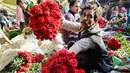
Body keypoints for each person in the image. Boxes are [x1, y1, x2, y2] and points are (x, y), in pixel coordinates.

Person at [67, 5, 113, 73]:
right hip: (93, 57)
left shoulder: (90, 38)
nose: (85, 18)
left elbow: (71, 52)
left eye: (89, 16)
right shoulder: (86, 26)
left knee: (76, 57)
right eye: (84, 15)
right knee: (71, 44)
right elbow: (68, 24)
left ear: (95, 20)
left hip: (102, 65)